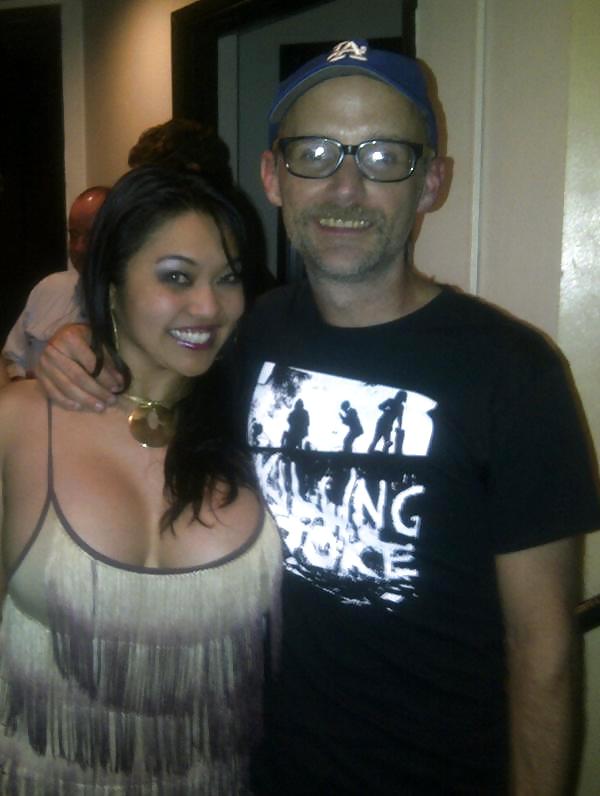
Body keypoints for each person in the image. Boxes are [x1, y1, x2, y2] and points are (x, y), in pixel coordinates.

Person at [34, 40, 600, 794]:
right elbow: (145, 371)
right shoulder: (244, 334)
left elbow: (545, 652)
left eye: (383, 156)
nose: (345, 186)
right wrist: (78, 344)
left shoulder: (513, 372)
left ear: (431, 182)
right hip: (252, 770)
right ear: (274, 175)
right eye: (315, 153)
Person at [0, 166, 281, 793]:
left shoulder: (265, 423)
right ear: (111, 281)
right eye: (176, 276)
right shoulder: (18, 421)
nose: (208, 307)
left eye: (229, 278)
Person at [1, 186, 109, 379]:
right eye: (73, 235)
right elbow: (12, 357)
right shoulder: (49, 288)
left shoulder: (138, 309)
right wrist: (22, 383)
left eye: (91, 236)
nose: (78, 247)